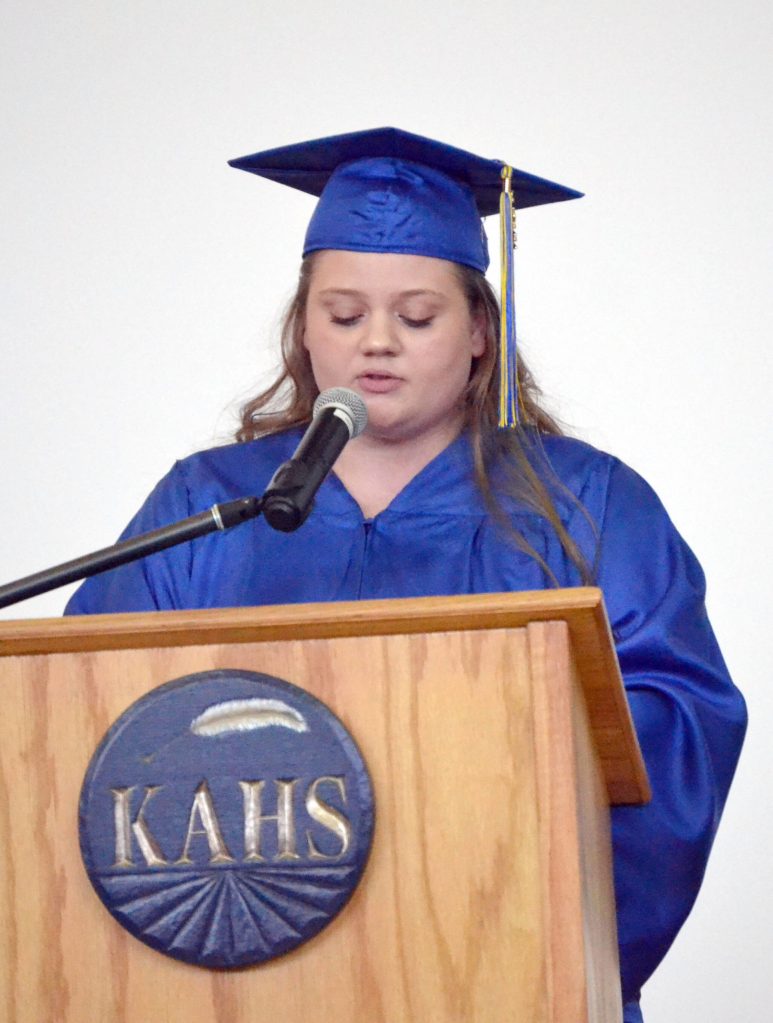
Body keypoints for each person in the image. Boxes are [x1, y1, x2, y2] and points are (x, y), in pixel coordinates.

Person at [65, 127, 747, 1022]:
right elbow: (89, 720)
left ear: (478, 333)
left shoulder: (586, 505)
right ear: (302, 330)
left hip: (489, 968)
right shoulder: (212, 504)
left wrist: (502, 902)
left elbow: (676, 725)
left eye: (416, 316)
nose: (375, 342)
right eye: (343, 315)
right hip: (236, 981)